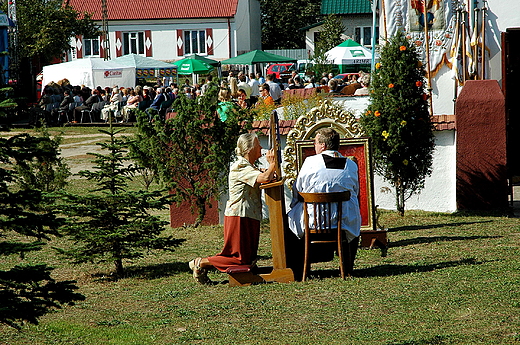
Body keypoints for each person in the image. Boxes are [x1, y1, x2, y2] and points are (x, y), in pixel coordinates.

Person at [188, 133, 276, 284]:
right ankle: (200, 262)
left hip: (249, 215)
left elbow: (264, 176)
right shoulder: (241, 166)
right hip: (239, 216)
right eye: (258, 145)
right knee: (237, 257)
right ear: (249, 149)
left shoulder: (249, 166)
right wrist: (273, 164)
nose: (261, 148)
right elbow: (265, 178)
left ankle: (243, 272)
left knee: (248, 257)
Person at [287, 127, 361, 275]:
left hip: (314, 221)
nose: (314, 145)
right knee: (353, 212)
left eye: (315, 142)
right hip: (344, 222)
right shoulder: (351, 165)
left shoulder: (310, 162)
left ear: (323, 145)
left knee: (289, 220)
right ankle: (347, 268)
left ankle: (296, 268)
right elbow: (356, 191)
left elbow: (298, 189)